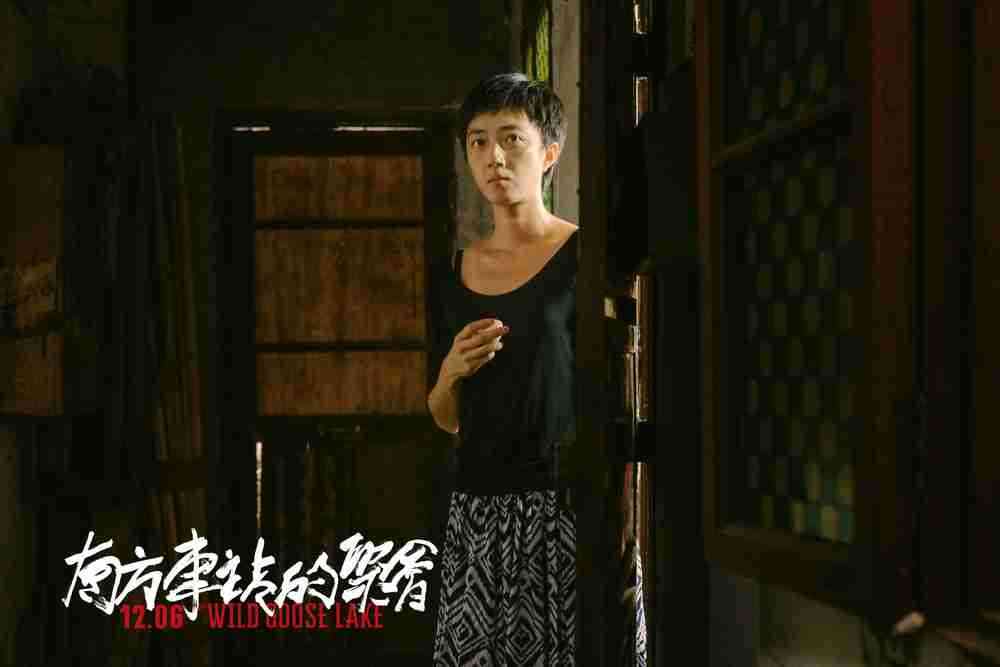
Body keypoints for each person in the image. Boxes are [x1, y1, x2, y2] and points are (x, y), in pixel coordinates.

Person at [428, 72, 579, 665]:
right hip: (477, 512)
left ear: (549, 152)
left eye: (512, 138)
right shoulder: (456, 271)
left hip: (563, 509)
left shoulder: (584, 259)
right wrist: (449, 372)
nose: (494, 157)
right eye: (478, 141)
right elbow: (445, 417)